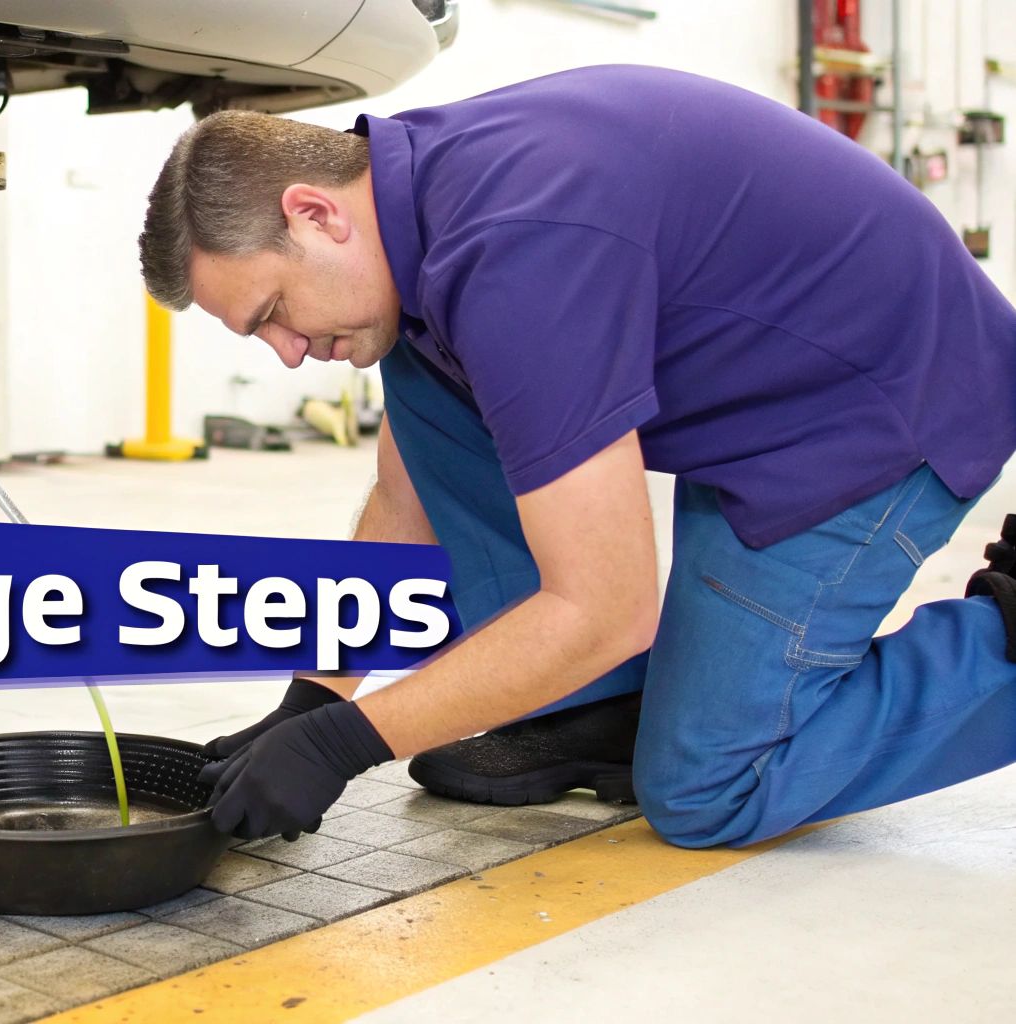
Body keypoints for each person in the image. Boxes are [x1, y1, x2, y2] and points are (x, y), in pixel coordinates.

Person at [137, 65, 1016, 848]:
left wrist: (349, 744)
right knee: (422, 387)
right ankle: (601, 707)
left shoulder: (520, 248)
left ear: (315, 213)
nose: (288, 352)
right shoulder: (415, 218)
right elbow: (408, 504)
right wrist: (315, 699)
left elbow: (608, 607)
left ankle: (1005, 647)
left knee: (708, 789)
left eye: (272, 313)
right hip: (760, 406)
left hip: (878, 411)